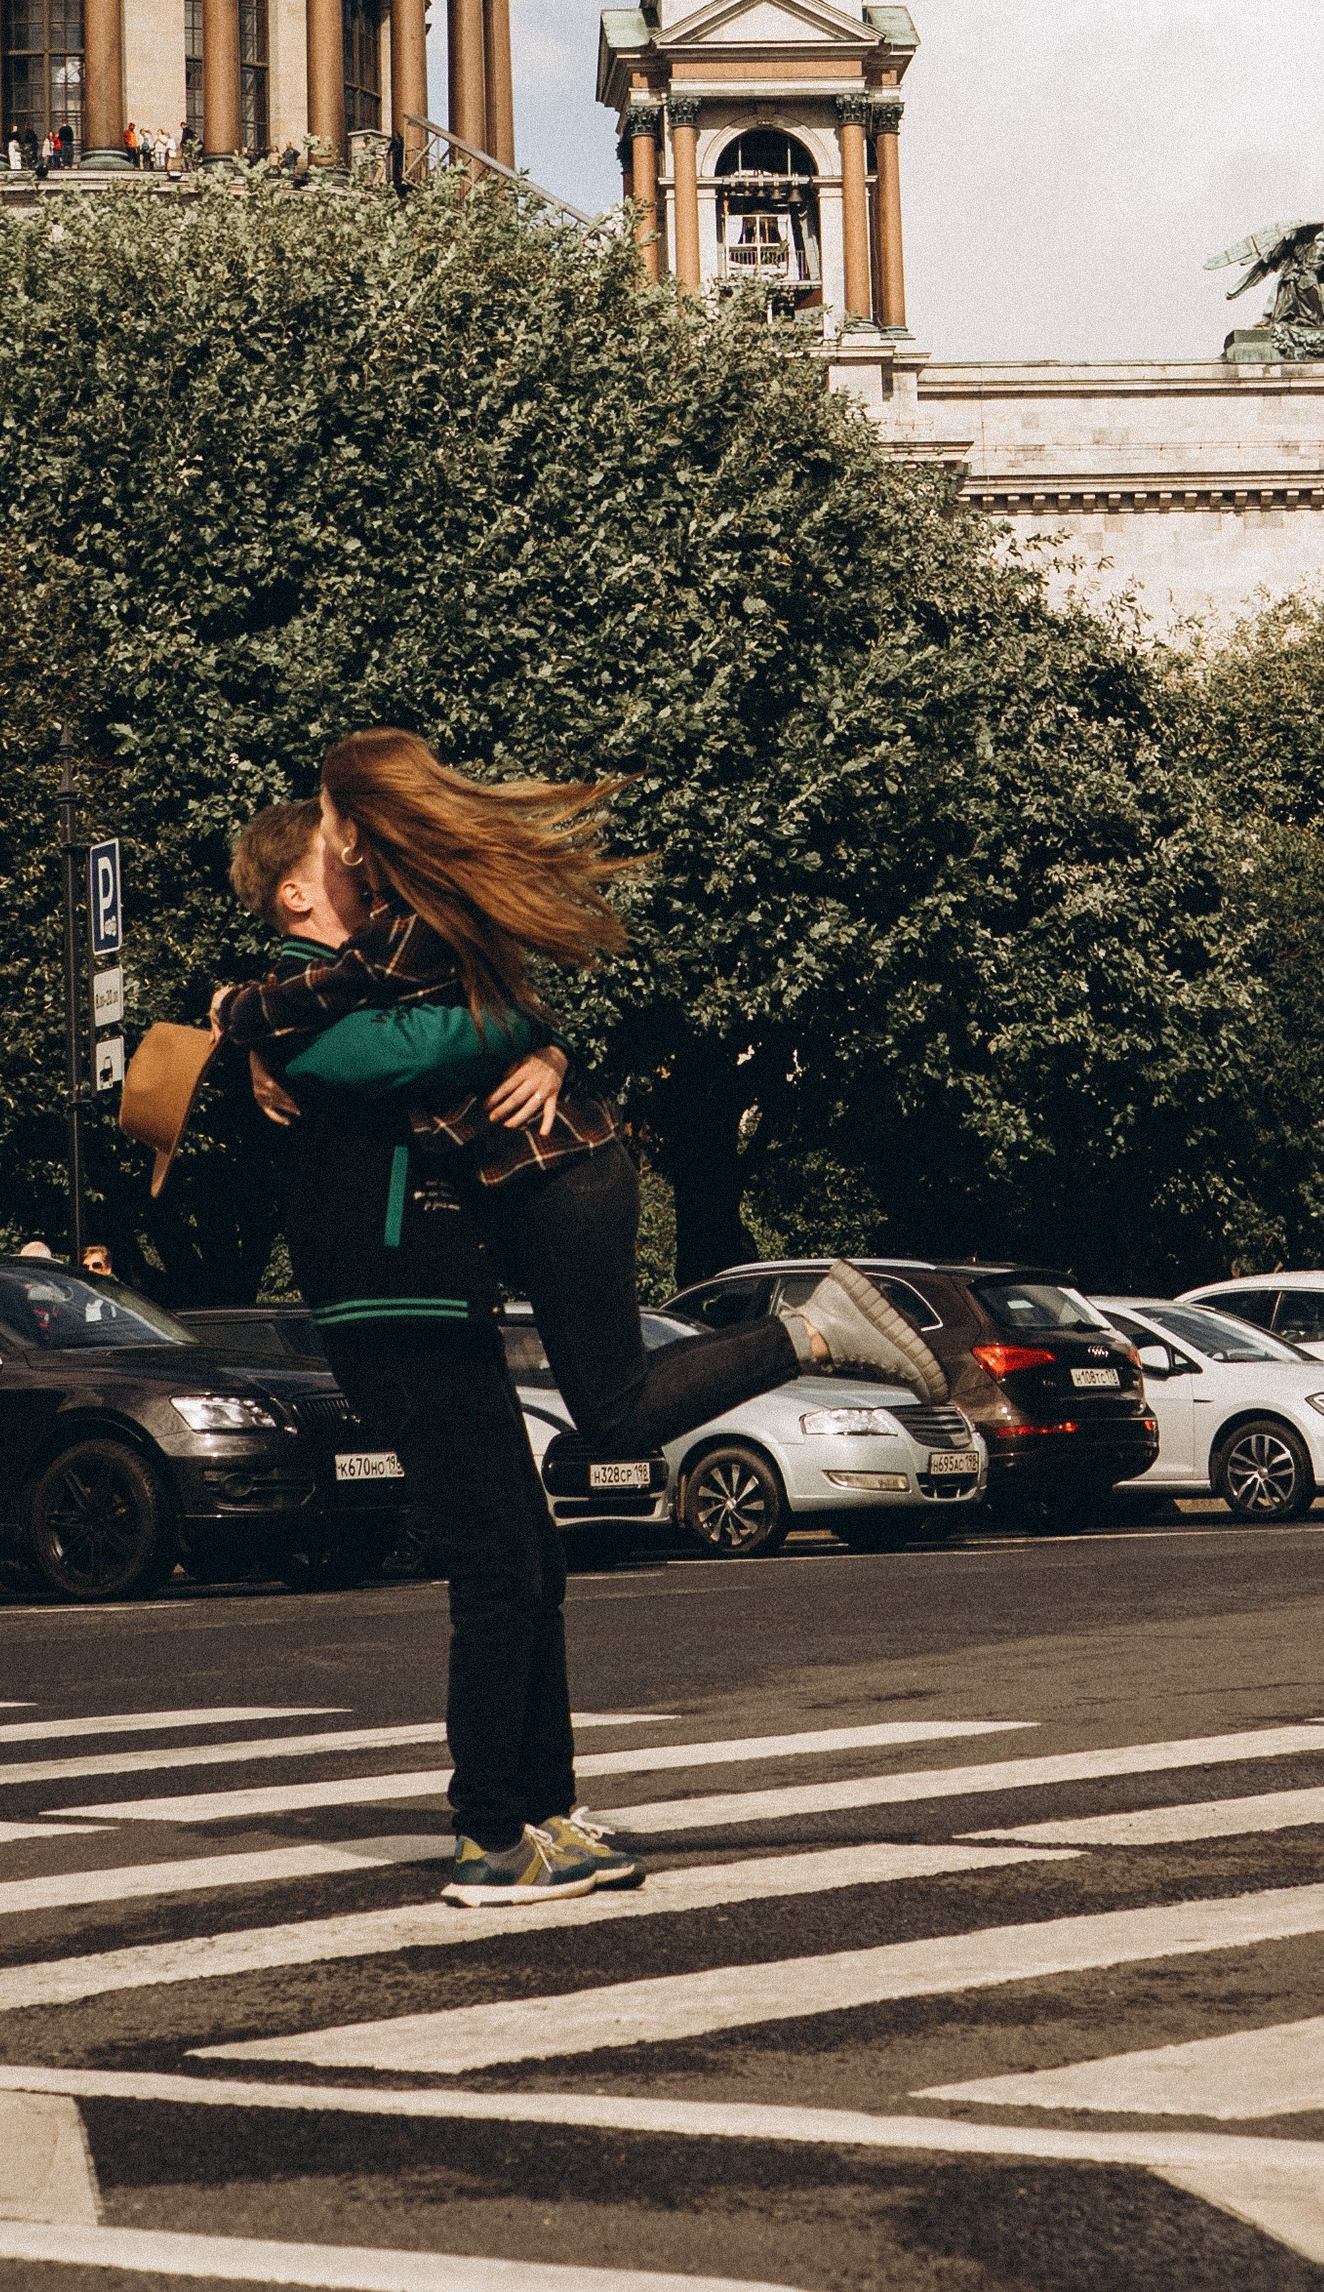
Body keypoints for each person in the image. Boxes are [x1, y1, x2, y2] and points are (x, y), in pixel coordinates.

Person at [209, 737, 946, 1905]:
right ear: (296, 891)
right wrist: (522, 1025)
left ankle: (540, 1815)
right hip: (389, 1309)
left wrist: (543, 1039)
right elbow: (433, 1047)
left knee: (528, 1556)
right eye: (337, 849)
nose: (360, 856)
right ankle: (494, 1836)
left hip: (435, 1299)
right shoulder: (284, 1021)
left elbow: (449, 1033)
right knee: (494, 1565)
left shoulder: (361, 983)